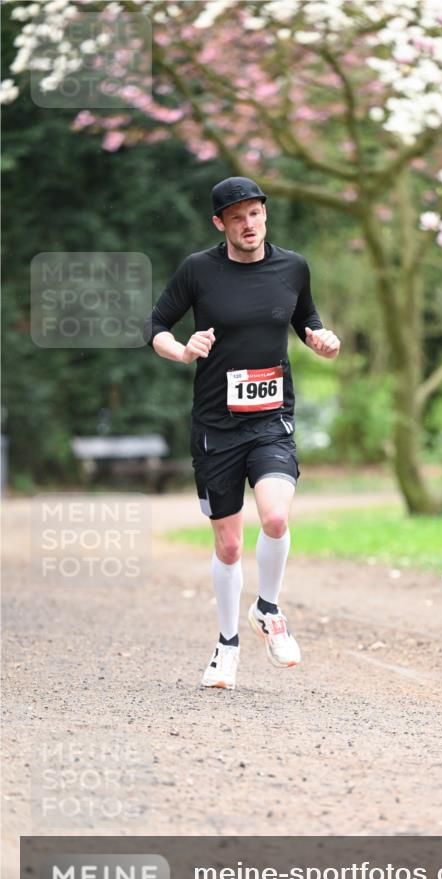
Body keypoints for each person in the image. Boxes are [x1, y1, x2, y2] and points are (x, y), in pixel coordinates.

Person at [146, 176, 340, 690]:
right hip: (216, 426)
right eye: (237, 218)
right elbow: (155, 327)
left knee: (275, 516)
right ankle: (227, 645)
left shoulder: (293, 267)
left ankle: (269, 610)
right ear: (220, 224)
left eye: (255, 214)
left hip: (271, 419)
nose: (248, 225)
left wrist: (322, 340)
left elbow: (307, 319)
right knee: (229, 547)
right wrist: (183, 350)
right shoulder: (199, 271)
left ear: (265, 215)